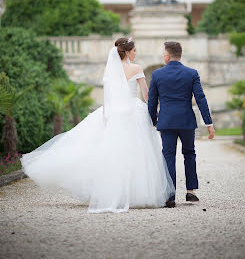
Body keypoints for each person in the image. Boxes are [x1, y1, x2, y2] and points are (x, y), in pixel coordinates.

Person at [20, 38, 175, 213]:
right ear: (128, 51)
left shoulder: (111, 69)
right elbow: (147, 95)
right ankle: (135, 193)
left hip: (113, 112)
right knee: (136, 151)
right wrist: (154, 112)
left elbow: (107, 97)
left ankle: (112, 192)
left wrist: (105, 115)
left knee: (111, 153)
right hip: (133, 111)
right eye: (134, 50)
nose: (136, 52)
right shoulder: (137, 68)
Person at [148, 41, 215, 208]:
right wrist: (209, 122)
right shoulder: (192, 73)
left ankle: (170, 196)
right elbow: (201, 98)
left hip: (167, 121)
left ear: (168, 56)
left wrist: (153, 121)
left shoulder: (157, 75)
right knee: (189, 154)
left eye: (163, 54)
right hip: (186, 121)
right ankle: (190, 192)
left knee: (168, 156)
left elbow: (152, 101)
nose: (163, 56)